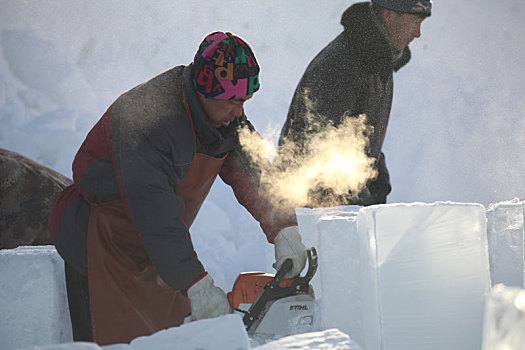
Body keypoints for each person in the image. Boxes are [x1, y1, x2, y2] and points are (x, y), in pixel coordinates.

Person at [48, 31, 306, 346]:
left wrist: (283, 227)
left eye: (245, 102)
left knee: (171, 337)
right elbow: (155, 214)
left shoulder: (223, 117)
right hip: (97, 243)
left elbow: (253, 172)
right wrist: (195, 284)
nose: (239, 113)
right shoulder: (148, 119)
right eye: (233, 102)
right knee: (120, 342)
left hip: (156, 251)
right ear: (206, 90)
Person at [277, 0, 431, 207]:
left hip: (346, 211)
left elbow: (364, 141)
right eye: (415, 21)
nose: (418, 33)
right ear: (389, 15)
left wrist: (377, 186)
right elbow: (320, 156)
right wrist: (358, 208)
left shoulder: (374, 59)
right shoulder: (341, 66)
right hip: (319, 215)